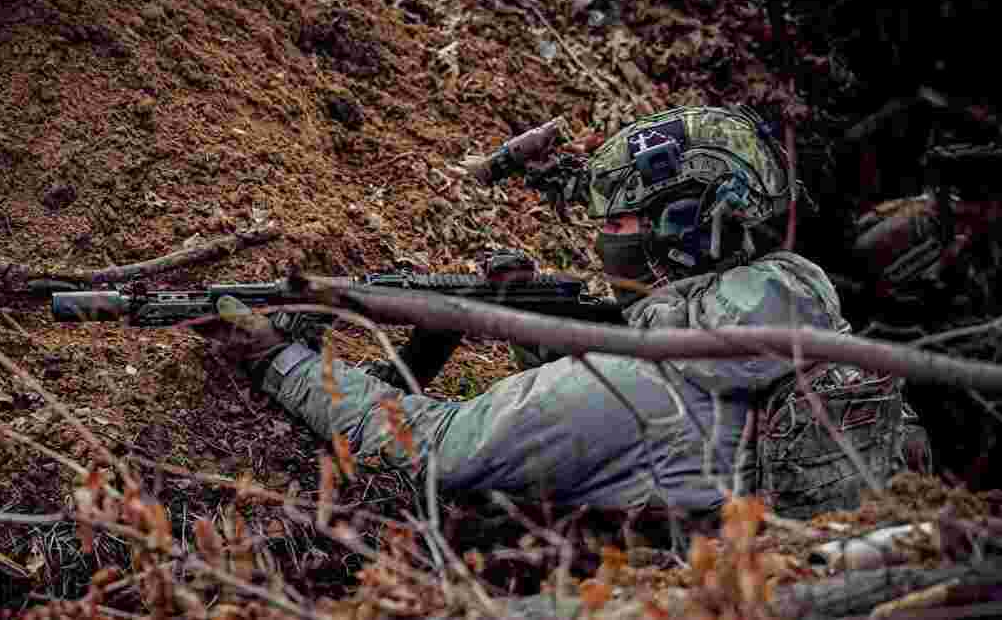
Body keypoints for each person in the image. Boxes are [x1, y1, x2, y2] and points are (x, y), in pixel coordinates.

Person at [203, 106, 932, 535]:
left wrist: (280, 362)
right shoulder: (811, 327)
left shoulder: (631, 387)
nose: (602, 238)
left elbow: (435, 449)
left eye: (615, 221)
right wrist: (529, 334)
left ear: (676, 232)